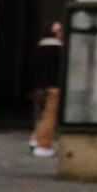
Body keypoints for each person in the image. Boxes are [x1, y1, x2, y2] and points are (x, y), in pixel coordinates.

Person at [30, 23, 64, 156]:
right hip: (54, 87)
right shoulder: (61, 50)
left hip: (38, 87)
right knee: (50, 117)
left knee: (43, 115)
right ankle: (43, 146)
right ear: (57, 34)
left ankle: (35, 138)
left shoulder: (38, 49)